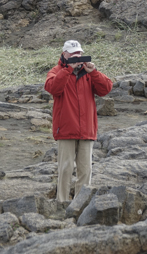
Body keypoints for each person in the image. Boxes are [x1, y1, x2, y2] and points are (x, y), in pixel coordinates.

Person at [44, 40, 112, 202]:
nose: (77, 57)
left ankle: (81, 203)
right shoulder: (56, 71)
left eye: (79, 54)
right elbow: (53, 88)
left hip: (87, 129)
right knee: (65, 169)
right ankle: (62, 202)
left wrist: (94, 72)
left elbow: (106, 89)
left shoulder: (88, 73)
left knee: (86, 170)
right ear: (65, 54)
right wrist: (68, 70)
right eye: (74, 55)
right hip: (66, 129)